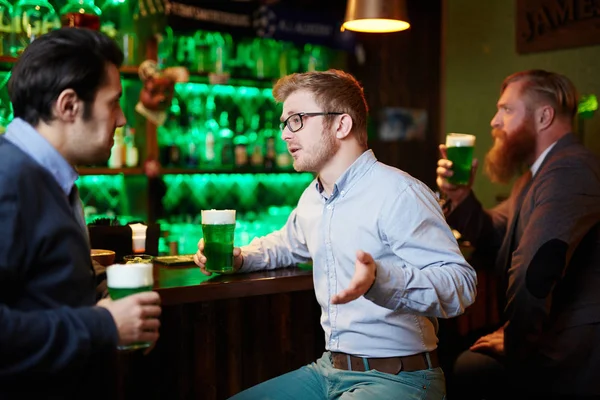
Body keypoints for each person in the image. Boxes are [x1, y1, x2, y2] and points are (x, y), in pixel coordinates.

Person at [194, 69, 477, 399]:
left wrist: (381, 280)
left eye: (297, 119)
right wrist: (240, 257)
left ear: (342, 124)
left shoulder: (400, 193)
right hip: (329, 370)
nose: (285, 134)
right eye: (284, 122)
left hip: (401, 378)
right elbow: (287, 244)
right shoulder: (313, 197)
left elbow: (461, 284)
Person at [0, 28, 162, 399]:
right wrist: (104, 324)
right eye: (113, 103)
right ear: (69, 105)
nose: (122, 120)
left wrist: (89, 289)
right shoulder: (9, 179)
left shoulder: (45, 176)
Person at [436, 69, 600, 398]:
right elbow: (497, 233)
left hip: (572, 349)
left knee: (465, 366)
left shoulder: (568, 169)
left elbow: (537, 268)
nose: (495, 121)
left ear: (544, 116)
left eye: (507, 110)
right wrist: (460, 197)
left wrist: (513, 338)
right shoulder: (536, 174)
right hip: (551, 330)